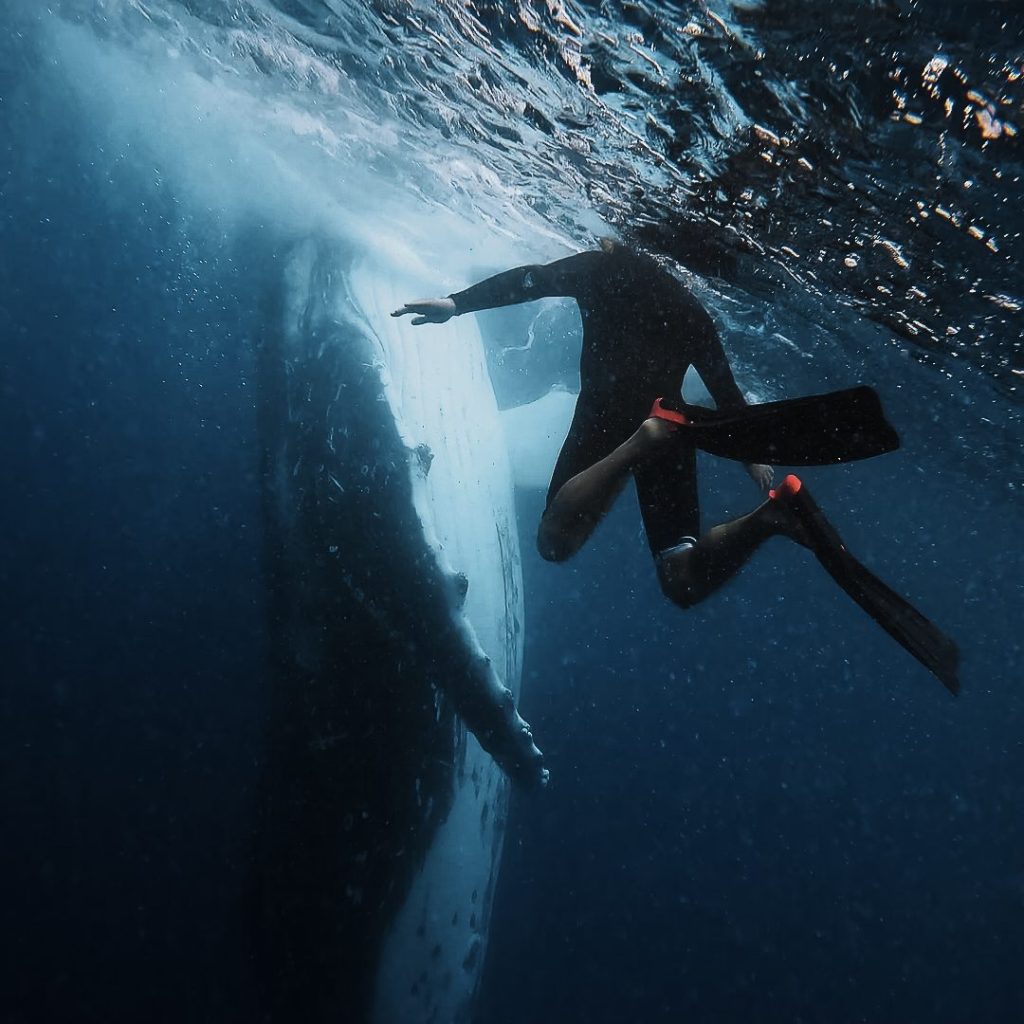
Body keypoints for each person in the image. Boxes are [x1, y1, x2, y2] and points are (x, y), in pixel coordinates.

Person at [393, 239, 960, 780]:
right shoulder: (693, 312)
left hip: (615, 422)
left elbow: (533, 281)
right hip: (678, 424)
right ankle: (772, 518)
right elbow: (729, 394)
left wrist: (457, 304)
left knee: (553, 542)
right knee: (681, 580)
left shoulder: (604, 267)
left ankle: (643, 441)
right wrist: (755, 461)